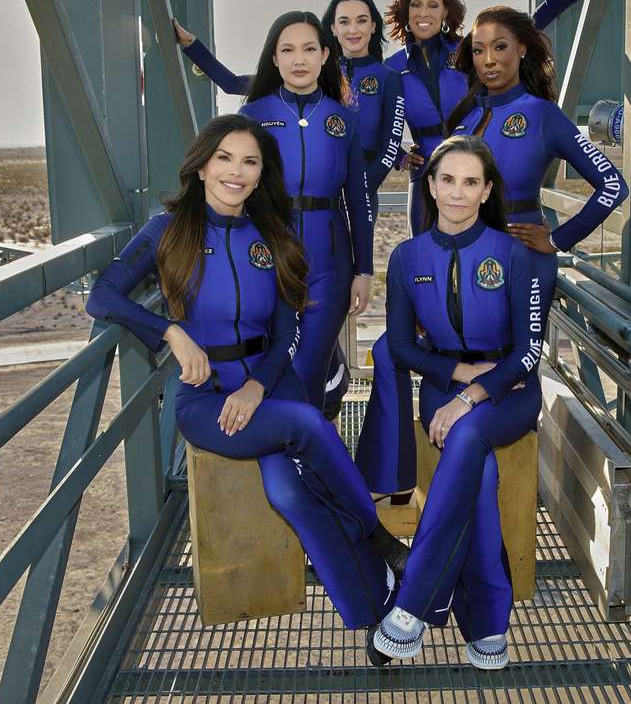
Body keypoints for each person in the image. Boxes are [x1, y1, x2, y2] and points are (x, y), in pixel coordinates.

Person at [85, 114, 407, 630]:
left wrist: (258, 387)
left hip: (272, 382)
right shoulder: (167, 231)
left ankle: (372, 615)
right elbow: (102, 296)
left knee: (291, 495)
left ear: (261, 174)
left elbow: (286, 336)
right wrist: (169, 331)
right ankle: (377, 535)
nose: (236, 171)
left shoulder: (273, 237)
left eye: (250, 161)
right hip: (205, 395)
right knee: (306, 427)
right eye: (225, 158)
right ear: (202, 166)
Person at [356, 4, 628, 501]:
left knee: (497, 364)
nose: (488, 59)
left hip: (519, 259)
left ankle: (464, 444)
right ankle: (390, 482)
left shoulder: (543, 115)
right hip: (450, 260)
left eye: (500, 47)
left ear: (522, 49)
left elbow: (613, 184)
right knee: (389, 350)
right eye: (478, 50)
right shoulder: (469, 111)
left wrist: (559, 238)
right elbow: (441, 177)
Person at [363, 136, 545, 669]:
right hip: (444, 384)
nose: (458, 193)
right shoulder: (406, 257)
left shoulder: (514, 254)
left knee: (467, 437)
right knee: (479, 474)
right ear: (431, 185)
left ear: (488, 191)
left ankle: (413, 603)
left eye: (471, 183)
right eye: (448, 180)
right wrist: (462, 379)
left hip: (510, 389)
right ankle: (488, 622)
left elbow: (530, 348)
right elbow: (398, 345)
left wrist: (473, 395)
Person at [383, 0, 605, 232]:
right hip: (425, 178)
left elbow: (523, 27)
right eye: (416, 4)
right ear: (406, 12)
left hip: (474, 173)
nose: (424, 12)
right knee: (427, 263)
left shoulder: (469, 51)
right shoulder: (392, 68)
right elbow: (368, 123)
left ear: (445, 12)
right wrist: (400, 156)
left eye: (433, 5)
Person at [235, 11, 377, 415]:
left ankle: (307, 466)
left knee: (307, 369)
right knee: (276, 364)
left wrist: (364, 271)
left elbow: (359, 200)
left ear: (325, 55)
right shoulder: (252, 117)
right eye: (288, 50)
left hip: (329, 261)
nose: (299, 59)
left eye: (309, 49)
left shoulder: (344, 119)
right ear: (274, 59)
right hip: (267, 257)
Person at [172, 0, 405, 191]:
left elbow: (390, 144)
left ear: (374, 25)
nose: (353, 29)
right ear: (332, 28)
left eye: (362, 20)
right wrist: (191, 45)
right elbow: (232, 84)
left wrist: (363, 189)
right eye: (344, 22)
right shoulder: (310, 73)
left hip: (360, 188)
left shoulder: (388, 79)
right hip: (314, 186)